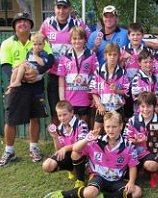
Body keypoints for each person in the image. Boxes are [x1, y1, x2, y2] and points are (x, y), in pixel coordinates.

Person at [46, 111, 142, 198]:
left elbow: (132, 166)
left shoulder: (128, 145)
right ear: (104, 126)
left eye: (114, 126)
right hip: (98, 177)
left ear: (121, 126)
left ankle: (103, 196)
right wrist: (86, 139)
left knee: (137, 191)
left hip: (116, 180)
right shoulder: (96, 141)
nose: (111, 130)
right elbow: (75, 149)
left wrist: (131, 182)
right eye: (108, 127)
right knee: (89, 193)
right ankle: (63, 195)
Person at [0, 12, 54, 166]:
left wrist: (38, 71)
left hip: (36, 84)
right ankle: (9, 151)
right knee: (10, 119)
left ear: (31, 25)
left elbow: (50, 59)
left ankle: (34, 148)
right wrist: (20, 77)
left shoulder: (37, 39)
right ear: (14, 26)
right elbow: (5, 65)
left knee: (34, 116)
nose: (23, 23)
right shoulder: (7, 43)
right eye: (19, 21)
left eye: (26, 21)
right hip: (17, 84)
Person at [40, 0, 91, 125]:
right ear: (54, 8)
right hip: (53, 74)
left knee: (78, 110)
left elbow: (88, 40)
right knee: (56, 110)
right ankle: (59, 140)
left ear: (70, 9)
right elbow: (38, 42)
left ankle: (77, 138)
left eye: (64, 8)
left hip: (72, 76)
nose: (61, 11)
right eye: (59, 7)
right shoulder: (47, 23)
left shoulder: (78, 23)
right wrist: (44, 61)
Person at [42, 100, 89, 188]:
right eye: (59, 115)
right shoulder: (59, 128)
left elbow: (80, 145)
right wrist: (55, 137)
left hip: (84, 157)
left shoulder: (81, 124)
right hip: (70, 155)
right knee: (47, 166)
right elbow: (58, 150)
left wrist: (65, 148)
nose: (62, 118)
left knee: (75, 152)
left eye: (65, 114)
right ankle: (71, 169)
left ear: (72, 113)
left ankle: (80, 180)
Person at [57, 26, 98, 125]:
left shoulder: (91, 55)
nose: (77, 41)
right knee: (71, 126)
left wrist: (94, 96)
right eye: (74, 39)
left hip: (85, 98)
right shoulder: (65, 56)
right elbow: (61, 78)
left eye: (80, 38)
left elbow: (96, 77)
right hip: (69, 98)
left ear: (85, 40)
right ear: (70, 40)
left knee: (84, 125)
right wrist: (62, 99)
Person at [124, 92, 158, 188]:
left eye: (149, 106)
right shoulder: (132, 120)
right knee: (123, 170)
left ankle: (154, 173)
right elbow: (125, 138)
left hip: (151, 152)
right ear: (139, 107)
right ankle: (139, 169)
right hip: (135, 152)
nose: (145, 110)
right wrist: (136, 141)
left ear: (154, 106)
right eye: (142, 106)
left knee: (151, 165)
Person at [89, 43, 129, 132]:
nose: (112, 57)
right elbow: (93, 90)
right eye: (110, 54)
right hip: (102, 107)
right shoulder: (98, 71)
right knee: (97, 132)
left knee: (117, 132)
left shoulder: (122, 72)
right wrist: (99, 105)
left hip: (117, 107)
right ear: (105, 55)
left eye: (115, 55)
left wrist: (116, 90)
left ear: (119, 56)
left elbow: (126, 91)